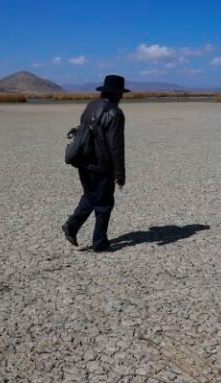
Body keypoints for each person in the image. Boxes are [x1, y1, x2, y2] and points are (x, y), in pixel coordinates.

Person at [62, 75, 128, 252]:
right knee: (104, 203)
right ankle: (100, 243)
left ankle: (71, 226)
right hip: (101, 165)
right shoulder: (115, 113)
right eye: (120, 94)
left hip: (84, 160)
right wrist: (120, 173)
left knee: (91, 195)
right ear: (116, 94)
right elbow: (116, 146)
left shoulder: (91, 105)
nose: (121, 97)